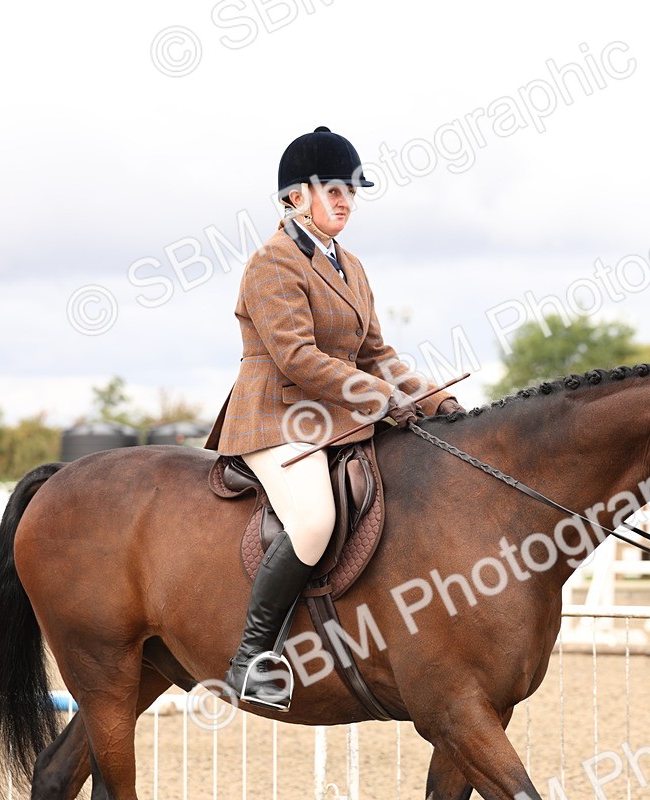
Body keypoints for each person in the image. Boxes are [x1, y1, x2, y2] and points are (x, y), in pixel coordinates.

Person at [205, 126, 465, 709]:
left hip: (336, 415)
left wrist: (433, 401)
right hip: (276, 415)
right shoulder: (272, 263)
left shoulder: (351, 266)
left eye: (351, 191)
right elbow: (296, 357)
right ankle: (250, 659)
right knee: (314, 519)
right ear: (296, 197)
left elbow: (376, 353)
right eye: (334, 190)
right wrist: (380, 396)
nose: (346, 201)